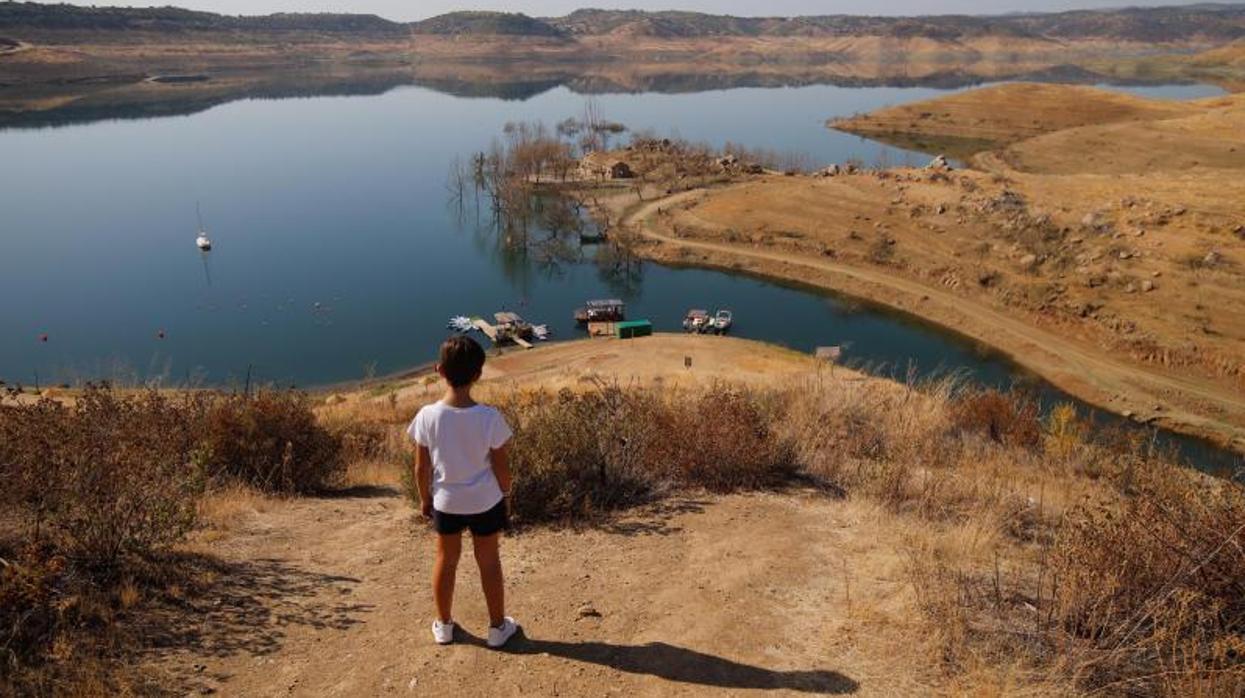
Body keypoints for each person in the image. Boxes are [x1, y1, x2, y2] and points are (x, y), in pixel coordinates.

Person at [408, 335, 518, 648]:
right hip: (486, 502)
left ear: (439, 370)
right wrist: (506, 492)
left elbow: (421, 468)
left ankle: (443, 625)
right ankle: (498, 628)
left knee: (446, 558)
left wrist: (425, 498)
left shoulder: (427, 416)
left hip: (446, 502)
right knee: (489, 561)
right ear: (478, 374)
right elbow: (501, 466)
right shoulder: (489, 418)